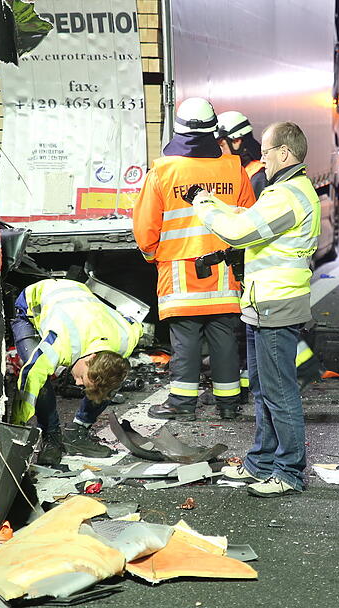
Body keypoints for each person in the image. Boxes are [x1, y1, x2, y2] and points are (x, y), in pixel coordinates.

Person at [184, 121, 319, 498]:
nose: (261, 158)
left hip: (277, 304)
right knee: (263, 389)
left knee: (279, 392)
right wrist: (211, 200)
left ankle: (289, 472)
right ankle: (261, 463)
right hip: (264, 302)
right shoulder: (283, 191)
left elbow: (240, 232)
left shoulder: (288, 195)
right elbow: (247, 220)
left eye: (266, 152)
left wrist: (202, 206)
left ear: (284, 153)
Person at [133, 98, 256, 421]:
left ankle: (182, 403)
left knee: (185, 338)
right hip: (225, 272)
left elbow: (146, 228)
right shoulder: (234, 168)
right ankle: (228, 403)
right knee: (224, 335)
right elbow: (249, 218)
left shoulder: (162, 171)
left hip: (179, 272)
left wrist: (152, 256)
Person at [11, 279, 142, 465]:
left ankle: (77, 433)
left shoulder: (126, 339)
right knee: (39, 378)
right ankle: (51, 438)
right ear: (89, 359)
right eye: (82, 378)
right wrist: (15, 427)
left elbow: (135, 323)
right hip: (31, 306)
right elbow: (31, 376)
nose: (78, 384)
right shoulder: (61, 343)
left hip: (79, 296)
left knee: (114, 375)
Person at [216, 110, 268, 198]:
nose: (221, 152)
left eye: (222, 146)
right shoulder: (242, 170)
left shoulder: (259, 176)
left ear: (237, 141)